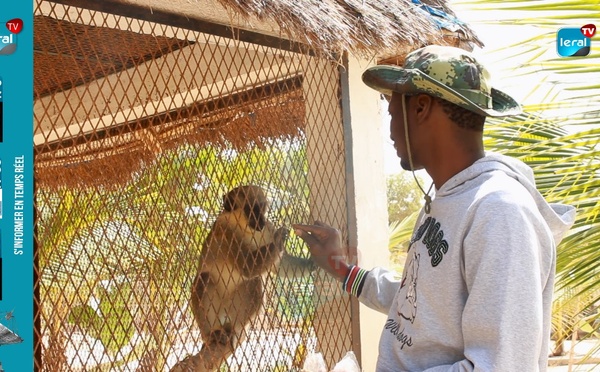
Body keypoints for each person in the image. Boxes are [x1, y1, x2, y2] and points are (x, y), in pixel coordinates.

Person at [293, 45, 576, 371]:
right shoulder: (446, 200)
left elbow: (500, 366)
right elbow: (419, 301)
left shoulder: (500, 213)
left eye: (391, 111)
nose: (390, 130)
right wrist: (341, 269)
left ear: (420, 108)